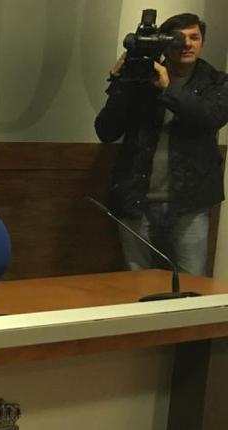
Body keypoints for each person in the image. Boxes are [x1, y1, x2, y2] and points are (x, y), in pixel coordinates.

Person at [95, 13, 228, 275]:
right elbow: (106, 130)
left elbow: (208, 118)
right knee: (137, 285)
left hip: (190, 202)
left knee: (191, 284)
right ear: (164, 44)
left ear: (202, 42)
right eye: (179, 38)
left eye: (194, 37)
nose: (187, 44)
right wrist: (120, 82)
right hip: (136, 198)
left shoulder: (216, 82)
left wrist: (169, 89)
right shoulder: (142, 80)